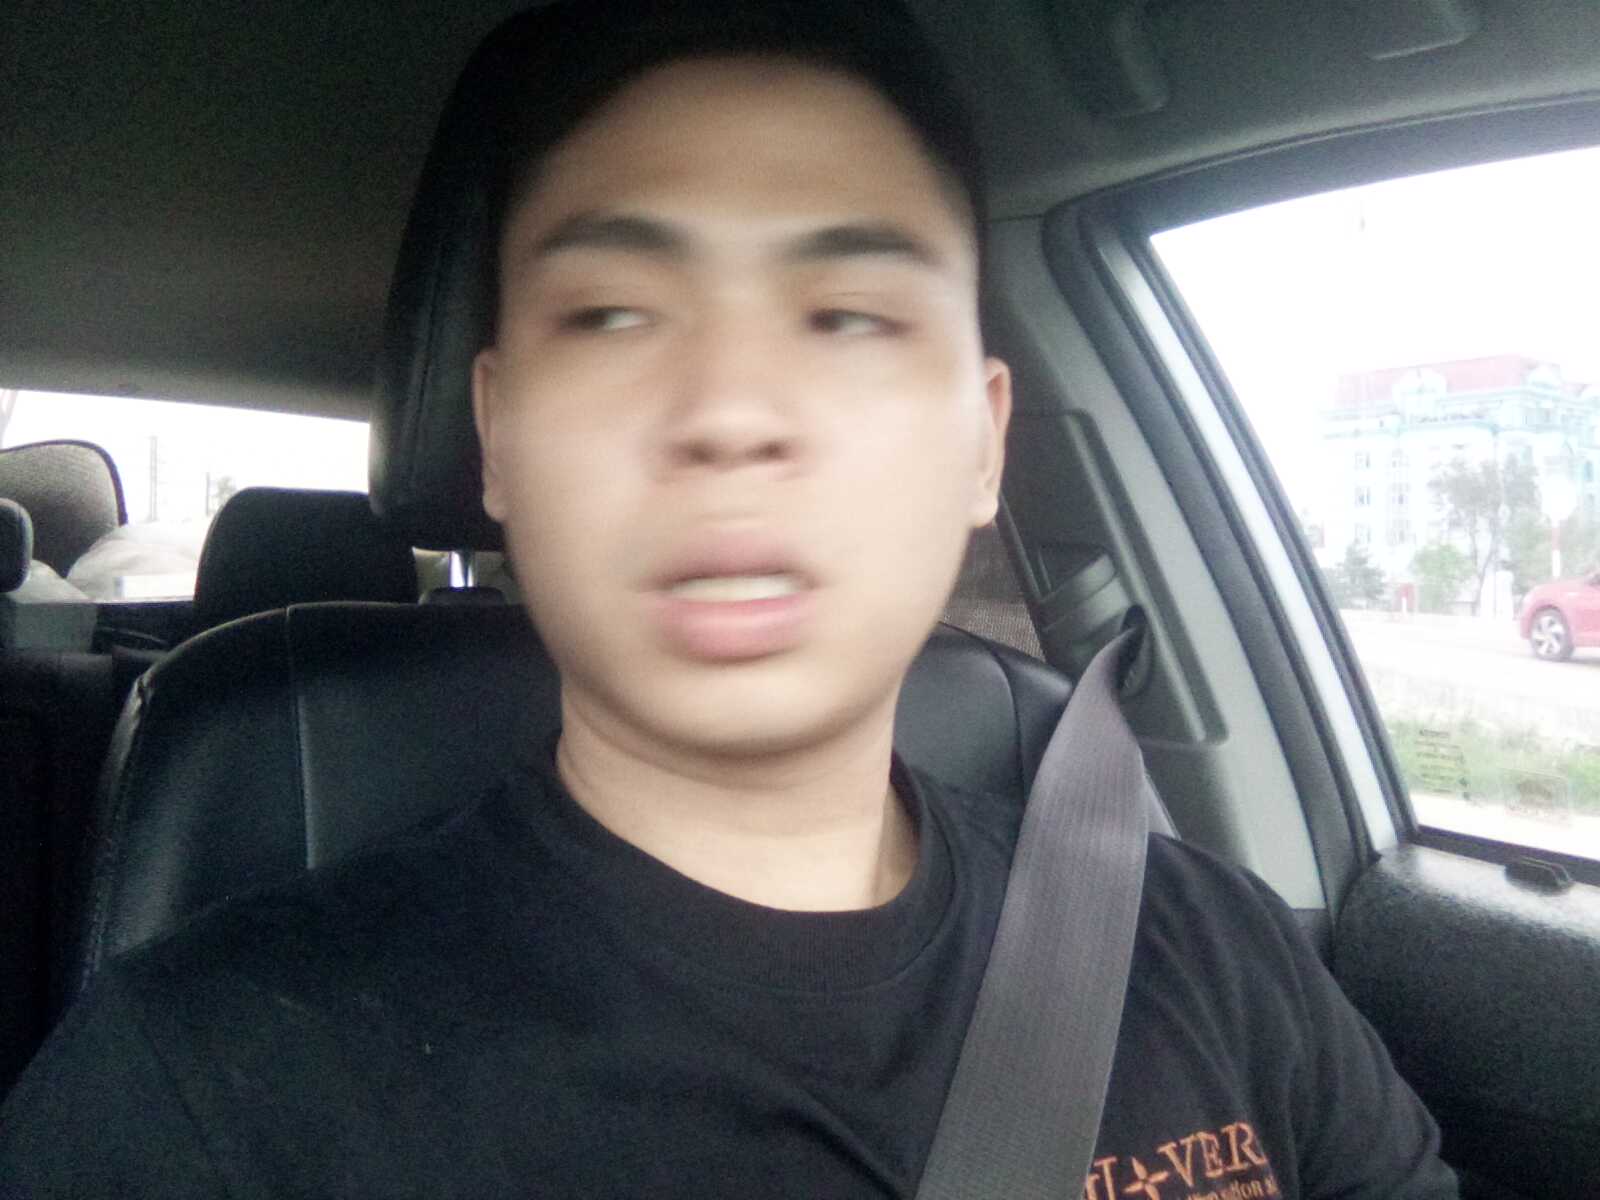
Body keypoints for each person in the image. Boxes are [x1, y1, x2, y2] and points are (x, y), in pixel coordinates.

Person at [0, 1, 1458, 1196]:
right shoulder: (201, 1098)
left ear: (983, 441)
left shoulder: (1209, 951)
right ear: (498, 434)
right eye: (613, 314)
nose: (732, 411)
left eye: (849, 316)